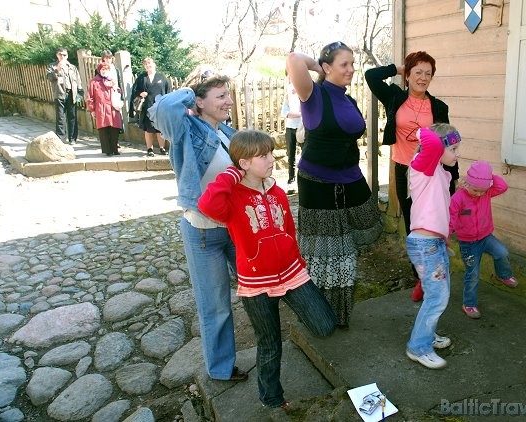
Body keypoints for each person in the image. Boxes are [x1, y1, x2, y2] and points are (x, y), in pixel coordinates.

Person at [197, 129, 337, 409]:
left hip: (292, 273)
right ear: (244, 162)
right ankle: (272, 399)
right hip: (256, 283)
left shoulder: (277, 191)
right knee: (270, 341)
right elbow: (207, 205)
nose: (272, 159)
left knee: (325, 325)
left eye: (271, 152)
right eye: (263, 155)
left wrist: (295, 258)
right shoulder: (232, 197)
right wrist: (231, 175)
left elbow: (288, 229)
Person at [147, 76, 248, 383]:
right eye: (220, 96)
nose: (228, 101)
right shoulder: (186, 132)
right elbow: (162, 108)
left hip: (234, 228)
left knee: (255, 288)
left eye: (228, 95)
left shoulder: (229, 134)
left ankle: (268, 346)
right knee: (215, 304)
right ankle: (220, 368)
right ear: (199, 102)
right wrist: (193, 91)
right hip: (203, 232)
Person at [285, 42, 383, 327]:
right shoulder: (313, 95)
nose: (351, 70)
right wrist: (318, 67)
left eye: (353, 64)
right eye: (344, 65)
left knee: (361, 231)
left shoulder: (347, 99)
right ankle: (328, 313)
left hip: (350, 177)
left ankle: (338, 298)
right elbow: (293, 58)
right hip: (318, 183)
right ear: (328, 68)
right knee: (327, 250)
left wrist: (330, 67)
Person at [365, 52, 459, 303]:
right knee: (413, 225)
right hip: (405, 169)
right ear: (407, 75)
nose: (423, 78)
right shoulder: (395, 96)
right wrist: (397, 67)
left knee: (434, 226)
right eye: (418, 72)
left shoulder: (439, 107)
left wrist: (453, 180)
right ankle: (419, 276)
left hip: (431, 174)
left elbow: (448, 142)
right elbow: (371, 76)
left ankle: (432, 277)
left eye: (428, 73)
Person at [405, 124, 461, 369]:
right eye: (454, 148)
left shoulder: (438, 170)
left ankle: (426, 335)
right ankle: (418, 347)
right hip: (424, 244)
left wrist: (445, 239)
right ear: (439, 148)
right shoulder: (423, 167)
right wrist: (420, 131)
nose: (457, 154)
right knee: (438, 297)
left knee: (437, 293)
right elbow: (433, 142)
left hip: (434, 243)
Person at [449, 160, 518, 319]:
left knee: (502, 252)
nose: (479, 194)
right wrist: (445, 235)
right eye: (475, 190)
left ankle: (503, 275)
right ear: (467, 183)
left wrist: (487, 177)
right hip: (468, 243)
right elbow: (451, 218)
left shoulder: (486, 191)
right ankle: (469, 304)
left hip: (486, 237)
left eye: (483, 190)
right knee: (472, 274)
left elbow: (502, 186)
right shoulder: (458, 198)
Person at [130, 57, 170, 157]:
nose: (148, 65)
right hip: (147, 107)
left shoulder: (162, 77)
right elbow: (135, 91)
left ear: (154, 64)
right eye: (146, 64)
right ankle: (149, 149)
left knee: (160, 129)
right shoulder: (141, 78)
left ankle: (162, 148)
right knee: (148, 129)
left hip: (160, 107)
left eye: (150, 63)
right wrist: (140, 93)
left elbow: (168, 92)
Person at [46, 47, 84, 145]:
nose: (62, 57)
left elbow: (78, 81)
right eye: (60, 55)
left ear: (67, 56)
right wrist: (57, 69)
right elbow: (49, 77)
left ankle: (72, 138)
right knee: (60, 117)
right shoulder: (52, 66)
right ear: (57, 55)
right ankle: (61, 138)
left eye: (64, 55)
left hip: (72, 93)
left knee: (72, 117)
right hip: (59, 94)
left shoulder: (72, 67)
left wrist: (80, 94)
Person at [86, 62, 122, 156]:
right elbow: (90, 97)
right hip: (101, 108)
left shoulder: (112, 80)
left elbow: (119, 92)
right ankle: (108, 150)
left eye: (106, 69)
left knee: (114, 129)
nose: (104, 71)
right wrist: (92, 109)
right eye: (102, 69)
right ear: (99, 70)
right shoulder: (94, 82)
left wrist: (115, 87)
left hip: (112, 108)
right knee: (104, 130)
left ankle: (115, 148)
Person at [281, 75, 302, 194]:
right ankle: (291, 180)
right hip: (290, 128)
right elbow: (285, 113)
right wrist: (298, 114)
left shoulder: (303, 94)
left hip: (302, 128)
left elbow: (305, 111)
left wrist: (295, 113)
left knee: (305, 154)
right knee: (291, 156)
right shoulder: (288, 97)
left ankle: (303, 179)